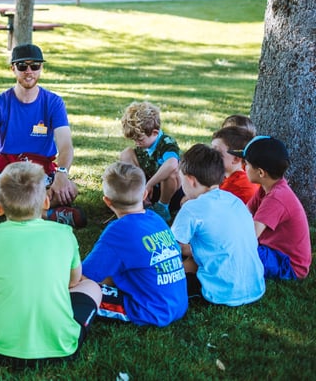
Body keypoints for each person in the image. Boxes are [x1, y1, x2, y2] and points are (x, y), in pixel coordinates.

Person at [0, 162, 101, 368]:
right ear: (46, 202)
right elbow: (73, 282)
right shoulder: (65, 233)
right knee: (92, 287)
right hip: (64, 346)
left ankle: (4, 309)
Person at [0, 43, 84, 228]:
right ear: (13, 69)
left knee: (70, 190)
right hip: (6, 169)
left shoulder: (54, 102)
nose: (29, 71)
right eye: (22, 66)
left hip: (41, 170)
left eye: (35, 66)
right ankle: (46, 214)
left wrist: (61, 174)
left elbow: (66, 146)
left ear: (41, 68)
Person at [82, 162, 187, 327]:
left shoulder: (118, 232)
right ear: (145, 194)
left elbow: (84, 276)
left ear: (107, 201)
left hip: (147, 310)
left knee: (82, 291)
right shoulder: (156, 219)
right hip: (177, 304)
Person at [171, 144, 265, 306]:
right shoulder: (234, 200)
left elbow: (170, 248)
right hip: (255, 286)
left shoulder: (192, 208)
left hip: (222, 293)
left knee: (167, 276)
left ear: (190, 180)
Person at [229, 136, 311, 280]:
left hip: (287, 265)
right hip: (271, 252)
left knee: (234, 254)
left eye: (245, 164)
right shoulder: (265, 188)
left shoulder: (276, 198)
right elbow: (243, 215)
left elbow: (249, 235)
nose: (243, 168)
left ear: (261, 172)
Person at [119, 101, 183, 223]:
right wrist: (143, 184)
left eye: (139, 139)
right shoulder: (143, 146)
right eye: (134, 140)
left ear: (155, 132)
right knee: (126, 153)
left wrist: (149, 185)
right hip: (150, 189)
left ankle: (162, 207)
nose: (137, 143)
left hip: (171, 193)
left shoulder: (166, 142)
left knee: (170, 171)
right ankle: (140, 198)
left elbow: (172, 163)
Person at [211, 125, 258, 203]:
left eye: (217, 153)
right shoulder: (230, 177)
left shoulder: (236, 187)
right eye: (211, 150)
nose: (210, 155)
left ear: (236, 159)